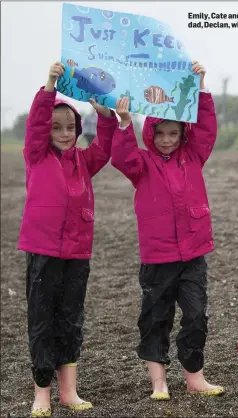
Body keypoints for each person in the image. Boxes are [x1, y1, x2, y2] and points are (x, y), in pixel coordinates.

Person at [111, 61, 224, 400]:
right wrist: (125, 122)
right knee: (155, 318)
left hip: (193, 254)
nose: (166, 140)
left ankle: (195, 377)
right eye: (159, 133)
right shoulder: (141, 164)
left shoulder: (194, 155)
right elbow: (122, 155)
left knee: (195, 316)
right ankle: (159, 382)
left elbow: (206, 129)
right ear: (151, 133)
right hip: (157, 257)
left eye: (173, 133)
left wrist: (201, 85)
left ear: (182, 134)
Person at [18, 62, 118, 417]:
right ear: (46, 130)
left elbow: (105, 147)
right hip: (42, 251)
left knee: (71, 320)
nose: (63, 132)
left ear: (78, 129)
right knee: (42, 320)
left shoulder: (84, 161)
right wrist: (49, 85)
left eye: (70, 126)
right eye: (56, 127)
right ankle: (41, 393)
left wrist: (103, 113)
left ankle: (68, 392)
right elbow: (36, 124)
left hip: (77, 253)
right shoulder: (36, 156)